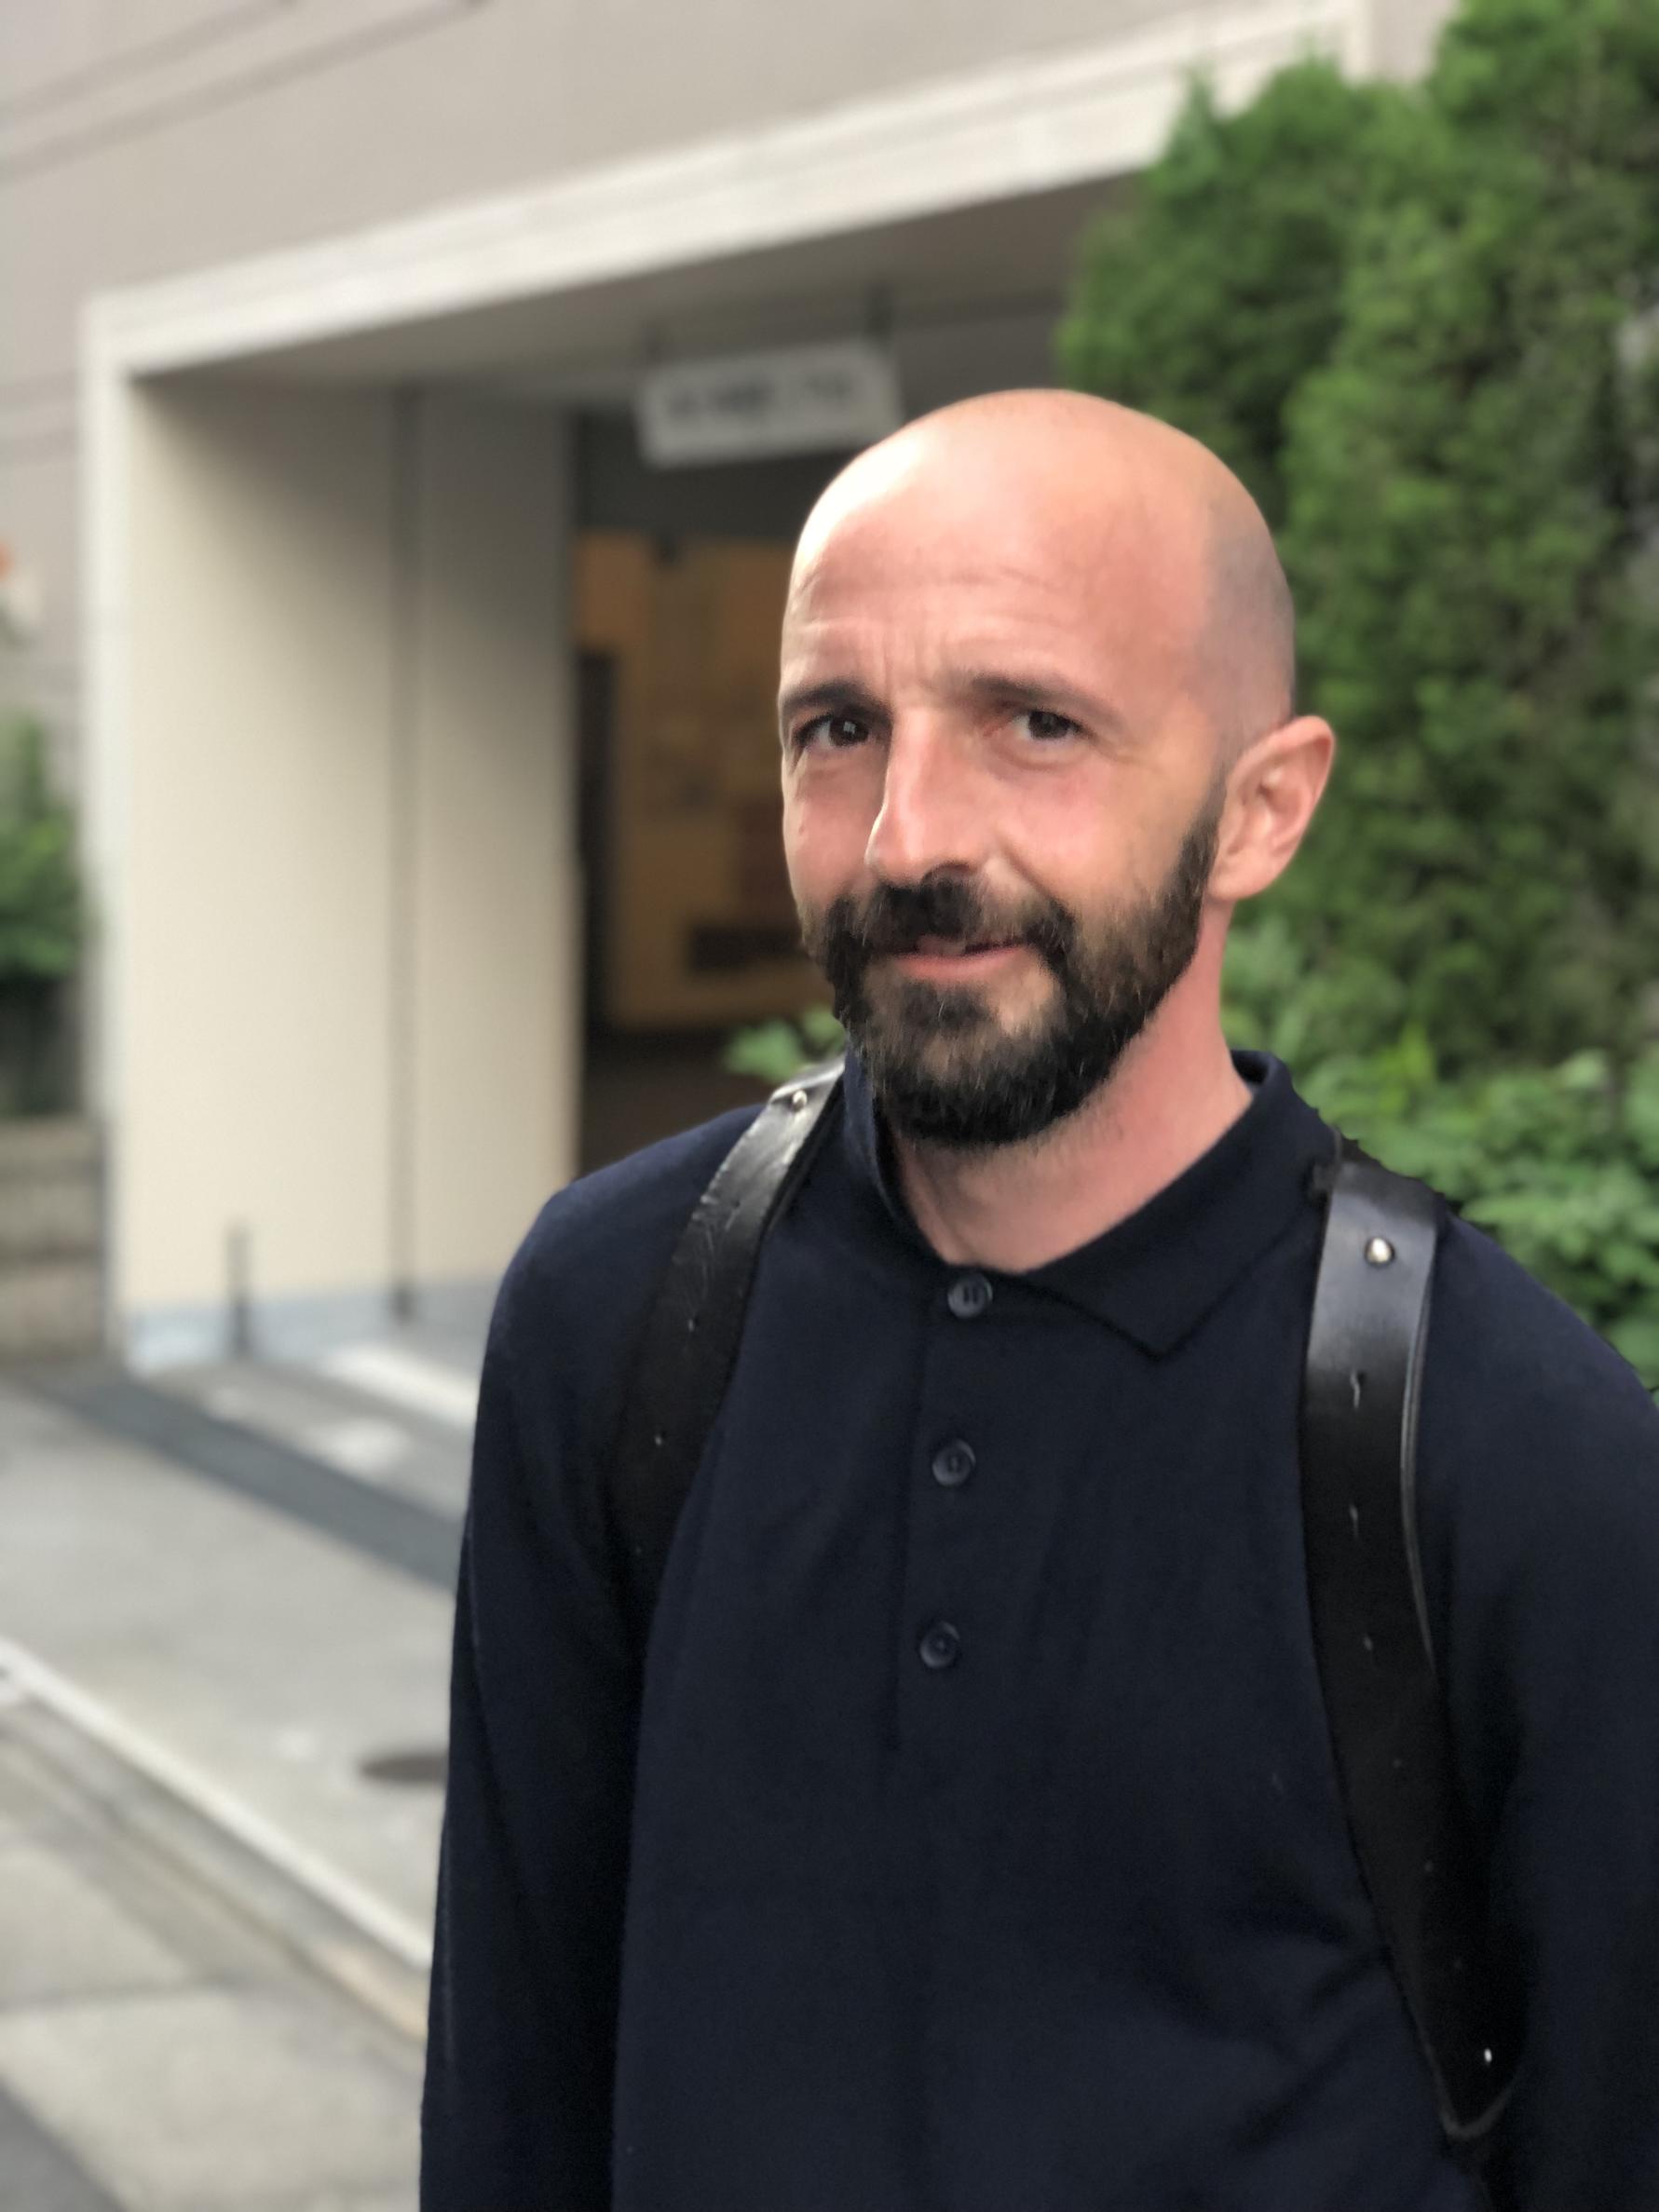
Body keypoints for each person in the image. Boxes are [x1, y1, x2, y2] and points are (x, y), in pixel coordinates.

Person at [420, 391, 1659, 2211]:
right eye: (838, 728)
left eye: (1035, 724)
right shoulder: (620, 1324)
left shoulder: (1511, 1450)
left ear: (1260, 811)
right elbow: (512, 2091)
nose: (909, 833)